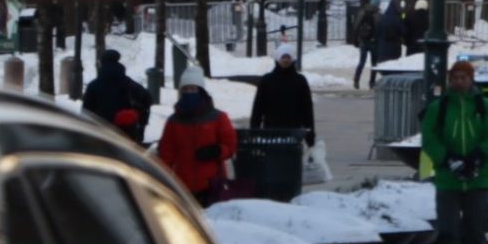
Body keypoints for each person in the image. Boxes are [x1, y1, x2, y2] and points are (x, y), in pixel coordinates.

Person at [419, 58, 488, 244]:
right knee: (448, 231)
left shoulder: (484, 106)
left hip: (478, 178)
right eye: (455, 78)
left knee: (475, 229)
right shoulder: (439, 107)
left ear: (471, 79)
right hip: (448, 179)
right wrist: (447, 160)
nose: (459, 82)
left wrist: (477, 157)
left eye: (463, 77)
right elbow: (429, 138)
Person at [155, 68, 239, 207]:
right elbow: (166, 154)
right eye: (185, 89)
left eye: (192, 88)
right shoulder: (173, 121)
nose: (189, 92)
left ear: (201, 91)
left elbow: (231, 146)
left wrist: (217, 151)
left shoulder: (218, 118)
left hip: (212, 185)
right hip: (182, 187)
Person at [81, 47, 152, 143]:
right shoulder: (128, 83)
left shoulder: (93, 86)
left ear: (101, 64)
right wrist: (140, 124)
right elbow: (147, 98)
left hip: (101, 134)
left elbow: (86, 113)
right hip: (126, 133)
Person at [248, 48, 316, 143]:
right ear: (277, 59)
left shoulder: (300, 80)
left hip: (294, 133)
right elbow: (258, 108)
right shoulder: (267, 80)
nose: (286, 60)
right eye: (283, 57)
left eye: (288, 57)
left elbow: (307, 109)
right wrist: (254, 131)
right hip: (271, 133)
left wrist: (310, 132)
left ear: (293, 59)